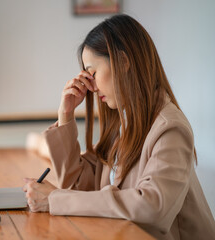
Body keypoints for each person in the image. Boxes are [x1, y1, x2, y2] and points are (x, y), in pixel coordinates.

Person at [22, 14, 215, 240]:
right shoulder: (122, 124)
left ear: (123, 62)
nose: (91, 87)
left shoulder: (170, 128)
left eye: (92, 73)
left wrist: (54, 199)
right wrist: (65, 116)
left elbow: (151, 206)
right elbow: (80, 186)